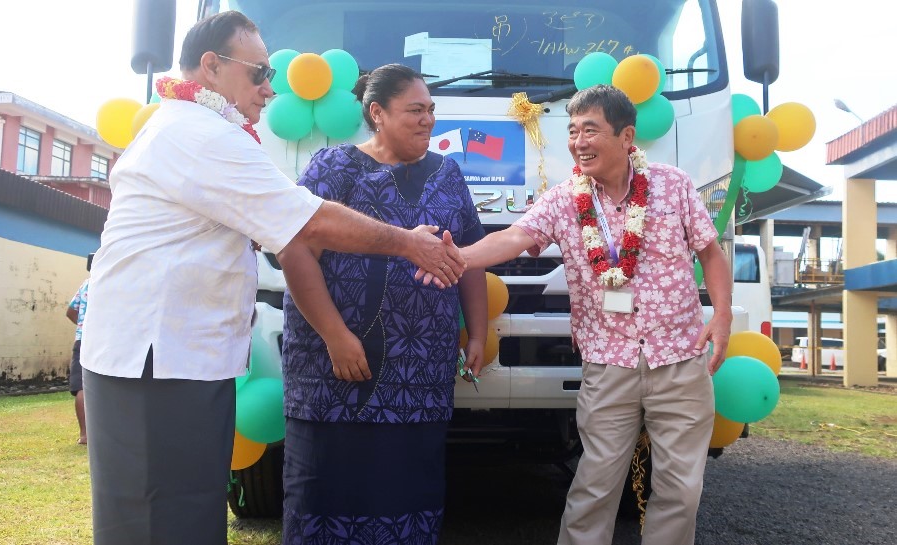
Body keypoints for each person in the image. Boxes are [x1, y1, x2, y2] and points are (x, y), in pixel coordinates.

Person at [79, 12, 465, 545]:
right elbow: (307, 220)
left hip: (178, 357)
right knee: (158, 518)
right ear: (211, 67)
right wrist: (408, 243)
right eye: (259, 73)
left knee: (186, 511)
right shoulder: (199, 134)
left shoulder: (201, 129)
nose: (269, 88)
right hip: (156, 359)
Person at [442, 85, 732, 545]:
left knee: (680, 489)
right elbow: (515, 238)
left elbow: (711, 253)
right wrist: (459, 257)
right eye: (573, 131)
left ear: (627, 136)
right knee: (594, 487)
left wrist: (722, 315)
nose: (578, 141)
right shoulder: (563, 198)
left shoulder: (673, 184)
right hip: (607, 361)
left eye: (590, 130)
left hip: (679, 356)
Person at [278, 64, 488, 545]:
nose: (428, 120)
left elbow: (470, 259)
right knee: (326, 494)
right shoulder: (331, 168)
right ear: (377, 113)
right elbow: (294, 251)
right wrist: (336, 336)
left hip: (419, 375)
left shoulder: (449, 175)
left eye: (431, 110)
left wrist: (476, 333)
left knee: (405, 495)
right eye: (415, 110)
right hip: (334, 370)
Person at [65, 274, 89, 445]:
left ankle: (85, 435)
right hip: (107, 340)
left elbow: (70, 311)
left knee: (81, 387)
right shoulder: (117, 279)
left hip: (83, 340)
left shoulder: (87, 284)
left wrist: (83, 325)